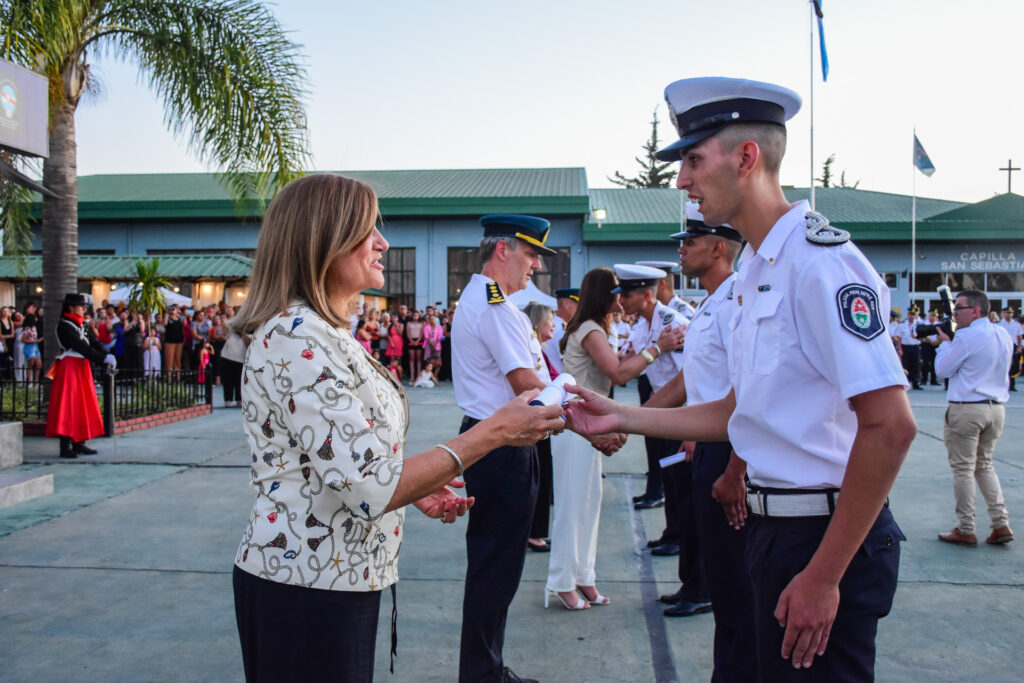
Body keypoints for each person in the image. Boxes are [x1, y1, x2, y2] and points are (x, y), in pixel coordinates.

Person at [567, 76, 916, 679]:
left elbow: (890, 427)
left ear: (747, 157)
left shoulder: (820, 264)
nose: (682, 181)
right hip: (772, 529)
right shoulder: (758, 267)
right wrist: (620, 414)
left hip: (824, 537)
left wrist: (825, 574)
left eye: (694, 161)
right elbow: (739, 410)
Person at [229, 174, 563, 683]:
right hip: (306, 581)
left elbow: (348, 463)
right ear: (325, 240)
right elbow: (367, 486)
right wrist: (494, 432)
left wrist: (413, 489)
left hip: (335, 572)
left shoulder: (323, 331)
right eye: (368, 230)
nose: (383, 243)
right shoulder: (297, 336)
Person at [452, 213, 604, 683]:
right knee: (496, 569)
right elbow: (528, 388)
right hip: (501, 444)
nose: (536, 265)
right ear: (503, 250)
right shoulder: (495, 307)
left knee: (495, 567)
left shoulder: (485, 300)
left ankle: (486, 667)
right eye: (532, 253)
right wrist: (580, 404)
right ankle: (482, 674)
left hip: (497, 438)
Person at [648, 205, 757, 678]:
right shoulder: (712, 302)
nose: (681, 249)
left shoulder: (737, 302)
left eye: (689, 242)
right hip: (709, 442)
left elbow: (748, 394)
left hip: (731, 449)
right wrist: (628, 420)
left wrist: (736, 469)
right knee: (721, 573)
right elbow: (692, 380)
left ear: (718, 248)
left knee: (736, 588)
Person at [546, 266, 678, 611]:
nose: (622, 297)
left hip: (588, 425)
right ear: (604, 295)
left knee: (588, 506)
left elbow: (616, 366)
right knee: (572, 508)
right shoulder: (590, 329)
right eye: (617, 291)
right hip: (574, 427)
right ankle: (562, 581)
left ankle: (584, 576)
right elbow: (618, 373)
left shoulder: (597, 328)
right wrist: (657, 349)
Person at [935, 290, 1014, 546]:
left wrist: (946, 343)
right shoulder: (1002, 333)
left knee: (963, 469)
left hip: (967, 408)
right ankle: (1000, 523)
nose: (955, 313)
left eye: (959, 308)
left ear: (975, 311)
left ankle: (966, 527)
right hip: (996, 408)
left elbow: (942, 369)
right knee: (985, 465)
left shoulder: (967, 336)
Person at [45, 293, 115, 458]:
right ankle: (65, 445)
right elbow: (80, 346)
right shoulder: (64, 326)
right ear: (70, 307)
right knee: (68, 404)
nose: (84, 309)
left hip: (82, 366)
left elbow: (93, 343)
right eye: (80, 306)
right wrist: (102, 358)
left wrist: (107, 356)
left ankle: (79, 442)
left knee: (83, 404)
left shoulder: (82, 324)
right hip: (70, 366)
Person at [522, 302, 557, 553]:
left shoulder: (540, 349)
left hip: (542, 415)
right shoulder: (532, 350)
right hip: (536, 416)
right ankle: (534, 533)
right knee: (538, 478)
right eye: (549, 321)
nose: (553, 325)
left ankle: (537, 531)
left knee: (542, 478)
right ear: (537, 324)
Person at [541, 288, 579, 374]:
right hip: (562, 382)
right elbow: (571, 364)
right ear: (566, 304)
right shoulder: (562, 330)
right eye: (578, 305)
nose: (580, 310)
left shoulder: (551, 326)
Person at [219, 323, 248, 408]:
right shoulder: (231, 329)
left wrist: (243, 334)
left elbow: (248, 342)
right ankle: (228, 400)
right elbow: (225, 329)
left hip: (241, 358)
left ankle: (239, 399)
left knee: (239, 379)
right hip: (227, 356)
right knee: (228, 379)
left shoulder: (247, 332)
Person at [996, 307, 1023, 391]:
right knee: (1004, 365)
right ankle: (1003, 384)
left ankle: (1012, 384)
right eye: (1007, 312)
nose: (1009, 314)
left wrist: (1019, 346)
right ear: (1003, 314)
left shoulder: (1016, 324)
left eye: (1011, 313)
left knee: (1014, 366)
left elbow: (1019, 336)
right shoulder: (999, 324)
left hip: (1013, 346)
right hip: (1003, 346)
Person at [899, 306, 923, 389]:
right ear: (908, 314)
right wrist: (900, 349)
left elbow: (923, 338)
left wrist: (916, 337)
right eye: (910, 314)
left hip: (915, 346)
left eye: (913, 314)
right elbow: (898, 338)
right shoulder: (902, 324)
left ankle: (916, 383)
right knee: (906, 365)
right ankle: (906, 382)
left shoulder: (919, 324)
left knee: (916, 365)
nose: (911, 316)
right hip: (905, 347)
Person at [919, 310, 942, 386]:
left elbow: (941, 335)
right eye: (932, 316)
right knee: (925, 362)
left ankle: (933, 380)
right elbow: (921, 335)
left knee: (934, 362)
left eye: (934, 316)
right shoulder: (924, 323)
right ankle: (924, 379)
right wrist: (928, 340)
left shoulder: (939, 324)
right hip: (926, 344)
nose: (933, 317)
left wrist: (937, 341)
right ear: (929, 316)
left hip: (936, 344)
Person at [163, 306, 185, 377]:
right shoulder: (168, 318)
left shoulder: (179, 318)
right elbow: (165, 324)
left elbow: (185, 322)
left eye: (174, 309)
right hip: (170, 341)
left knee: (177, 359)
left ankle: (177, 377)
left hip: (179, 341)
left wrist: (180, 313)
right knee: (169, 359)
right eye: (171, 309)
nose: (172, 310)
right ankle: (169, 377)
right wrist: (166, 314)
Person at [405, 310, 425, 383]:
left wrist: (418, 340)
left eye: (417, 315)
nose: (415, 317)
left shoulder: (421, 323)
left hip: (419, 341)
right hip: (411, 341)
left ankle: (419, 375)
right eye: (414, 315)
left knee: (419, 359)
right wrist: (411, 340)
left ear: (419, 316)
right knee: (411, 359)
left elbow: (422, 333)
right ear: (412, 316)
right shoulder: (408, 323)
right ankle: (412, 376)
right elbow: (408, 333)